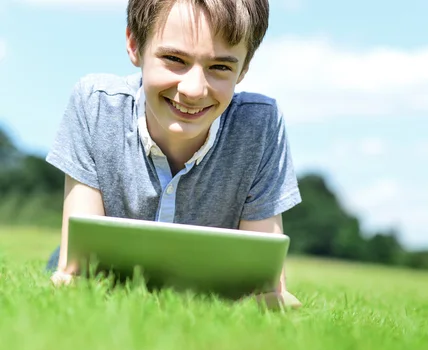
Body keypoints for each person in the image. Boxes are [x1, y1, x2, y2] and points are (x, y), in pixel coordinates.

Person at [44, 0, 303, 309]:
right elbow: (79, 270)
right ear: (134, 45)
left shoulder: (260, 125)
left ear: (244, 67)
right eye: (174, 59)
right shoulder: (96, 105)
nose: (194, 90)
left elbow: (263, 288)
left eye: (220, 67)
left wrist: (271, 299)